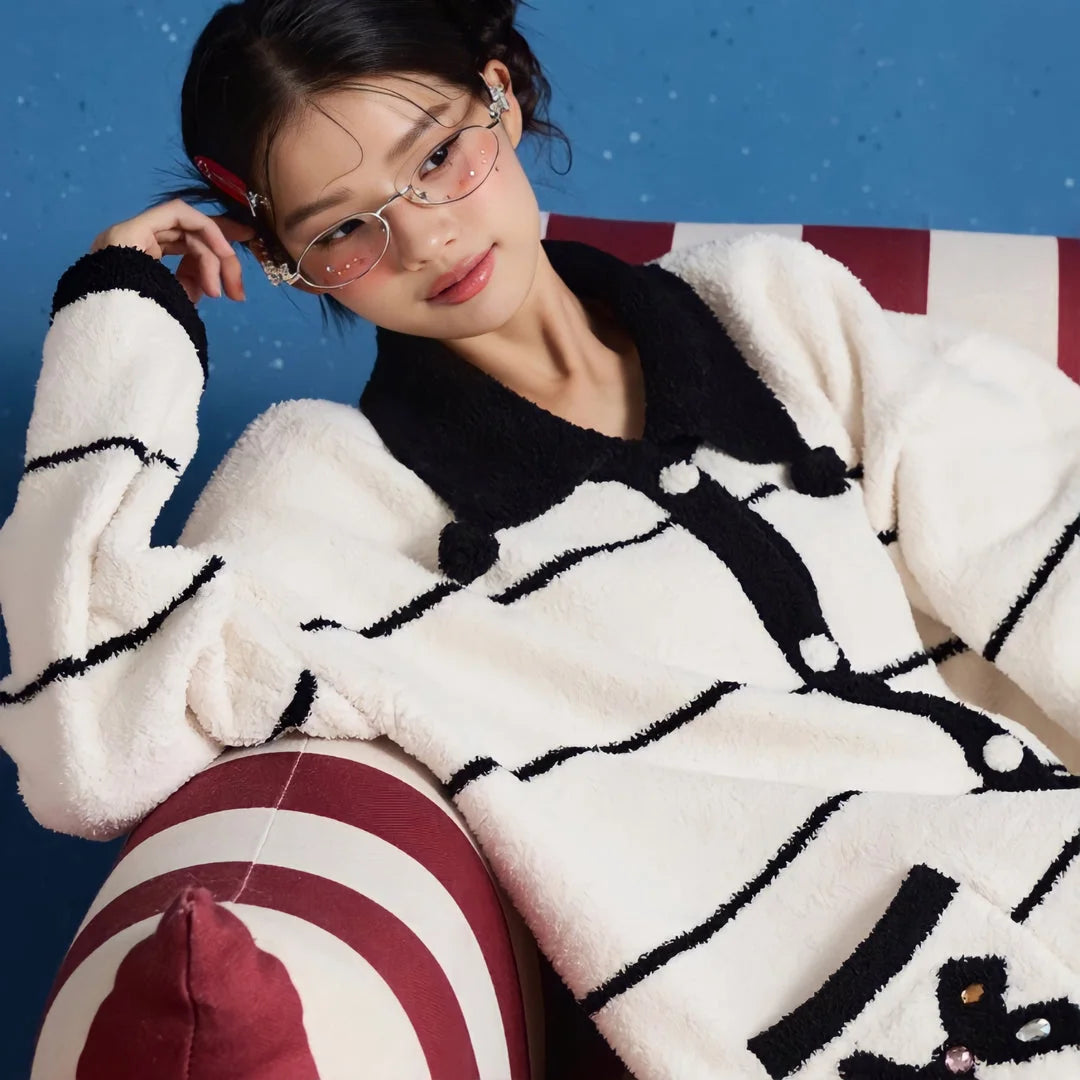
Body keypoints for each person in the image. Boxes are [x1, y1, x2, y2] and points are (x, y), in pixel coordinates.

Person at [3, 0, 1080, 1076]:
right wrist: (122, 325)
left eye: (434, 155)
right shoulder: (329, 496)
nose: (423, 236)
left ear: (502, 100)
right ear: (283, 263)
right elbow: (85, 752)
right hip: (869, 1019)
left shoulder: (773, 311)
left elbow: (1045, 527)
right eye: (341, 230)